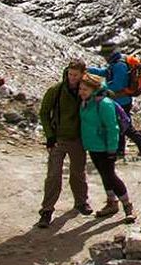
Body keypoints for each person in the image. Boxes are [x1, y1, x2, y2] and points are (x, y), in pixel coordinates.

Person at [35, 62, 97, 228]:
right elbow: (44, 112)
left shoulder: (86, 91)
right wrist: (50, 136)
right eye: (70, 74)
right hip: (58, 139)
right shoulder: (56, 90)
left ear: (82, 74)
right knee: (53, 175)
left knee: (78, 173)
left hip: (78, 139)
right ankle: (47, 210)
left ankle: (81, 202)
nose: (72, 78)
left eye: (75, 75)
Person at [79, 77, 134, 222]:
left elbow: (112, 128)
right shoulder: (87, 102)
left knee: (110, 176)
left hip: (105, 147)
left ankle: (127, 206)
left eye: (85, 89)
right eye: (80, 89)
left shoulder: (104, 104)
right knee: (104, 174)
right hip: (93, 145)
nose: (81, 92)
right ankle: (111, 202)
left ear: (94, 90)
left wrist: (112, 149)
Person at [92, 44, 141, 159]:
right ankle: (120, 151)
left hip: (121, 101)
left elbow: (117, 85)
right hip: (121, 100)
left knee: (127, 128)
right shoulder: (116, 63)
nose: (104, 58)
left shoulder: (119, 66)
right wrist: (89, 70)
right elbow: (106, 73)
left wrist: (101, 89)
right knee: (120, 127)